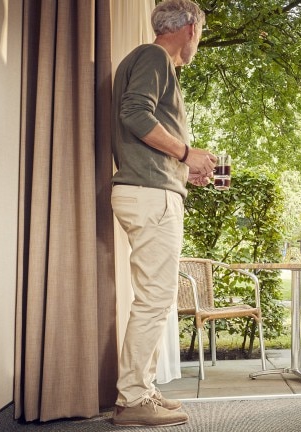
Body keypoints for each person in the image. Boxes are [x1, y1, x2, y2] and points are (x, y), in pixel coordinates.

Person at [110, 0, 215, 426]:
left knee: (156, 298)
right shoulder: (154, 56)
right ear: (190, 28)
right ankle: (133, 400)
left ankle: (143, 389)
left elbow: (141, 127)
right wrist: (187, 152)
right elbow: (134, 114)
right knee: (154, 300)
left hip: (152, 187)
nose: (198, 43)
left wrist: (182, 168)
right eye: (201, 34)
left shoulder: (148, 62)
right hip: (150, 195)